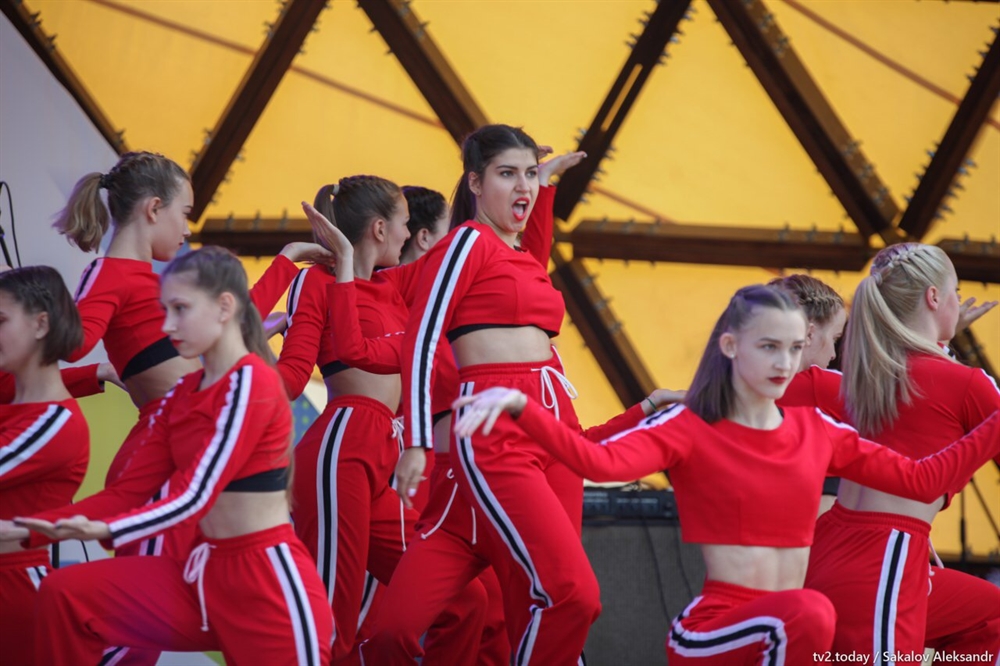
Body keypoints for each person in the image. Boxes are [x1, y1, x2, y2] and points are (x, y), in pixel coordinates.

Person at [453, 284, 1000, 664]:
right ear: (731, 347)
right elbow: (597, 461)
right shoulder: (692, 426)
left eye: (794, 350)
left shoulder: (818, 430)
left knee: (812, 617)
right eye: (769, 348)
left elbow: (924, 479)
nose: (784, 363)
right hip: (714, 632)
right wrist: (524, 410)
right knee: (810, 613)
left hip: (792, 629)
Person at [5, 247, 334, 664]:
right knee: (64, 593)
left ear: (224, 307)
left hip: (264, 583)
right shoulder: (181, 394)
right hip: (201, 577)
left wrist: (97, 529)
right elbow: (127, 493)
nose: (167, 325)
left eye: (180, 309)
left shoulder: (253, 381)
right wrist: (24, 529)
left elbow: (194, 494)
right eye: (164, 311)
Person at [398, 123, 615, 664]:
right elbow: (421, 336)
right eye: (507, 174)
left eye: (528, 174)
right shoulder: (466, 242)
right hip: (497, 425)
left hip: (554, 424)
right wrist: (418, 441)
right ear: (475, 182)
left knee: (540, 595)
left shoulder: (518, 259)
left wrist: (546, 186)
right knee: (572, 593)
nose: (523, 186)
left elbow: (530, 261)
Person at [283, 177, 482, 665]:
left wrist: (522, 188)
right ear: (379, 228)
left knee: (463, 601)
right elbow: (290, 378)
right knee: (332, 620)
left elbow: (470, 252)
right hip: (341, 451)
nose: (409, 234)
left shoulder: (393, 287)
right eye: (404, 223)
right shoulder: (315, 282)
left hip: (384, 458)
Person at [802, 243, 1000, 663]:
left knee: (990, 617)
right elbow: (938, 388)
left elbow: (739, 394)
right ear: (934, 297)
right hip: (884, 557)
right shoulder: (967, 385)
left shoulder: (856, 381)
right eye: (955, 291)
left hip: (838, 550)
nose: (957, 300)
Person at [0, 266, 90, 666]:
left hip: (14, 597)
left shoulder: (55, 422)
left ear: (41, 324)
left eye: (0, 321)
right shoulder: (21, 411)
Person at [771, 274, 848, 515]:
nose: (834, 354)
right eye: (835, 339)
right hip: (815, 528)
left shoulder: (741, 388)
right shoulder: (821, 384)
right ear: (810, 334)